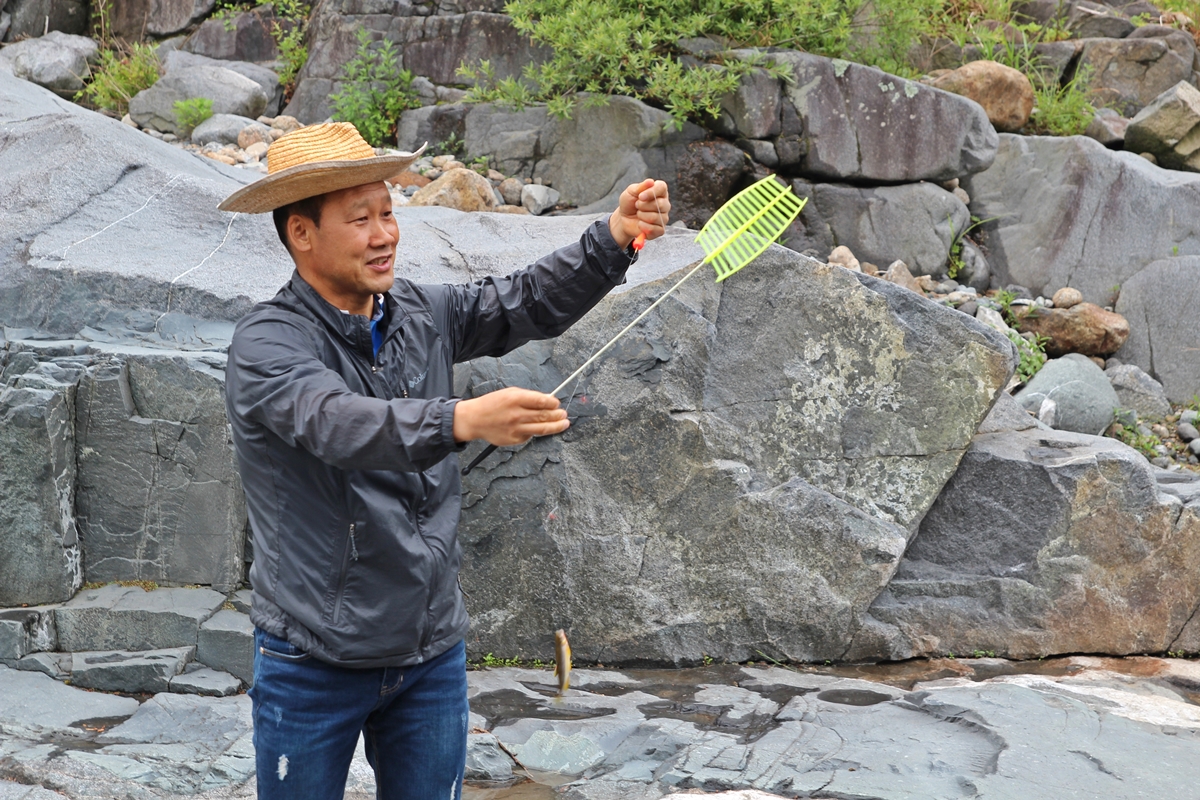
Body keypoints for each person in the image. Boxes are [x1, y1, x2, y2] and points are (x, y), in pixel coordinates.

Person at [217, 121, 671, 800]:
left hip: (429, 653)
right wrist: (463, 419)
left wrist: (611, 238)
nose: (384, 234)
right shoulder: (267, 346)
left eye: (388, 213)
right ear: (301, 234)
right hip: (311, 659)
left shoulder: (418, 313)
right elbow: (339, 423)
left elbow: (523, 302)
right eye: (360, 218)